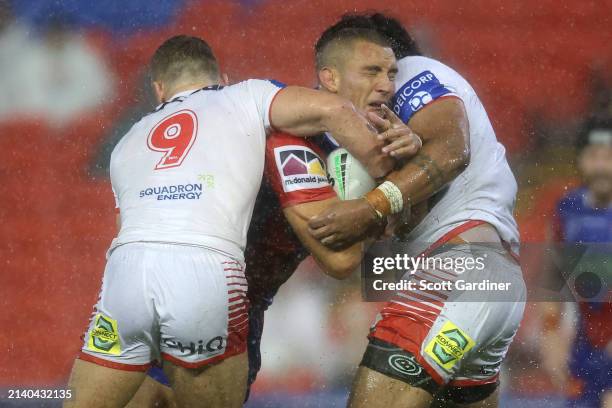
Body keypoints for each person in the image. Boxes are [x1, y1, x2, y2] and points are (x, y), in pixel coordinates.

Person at [65, 34, 395, 408]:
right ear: (222, 78)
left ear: (159, 90)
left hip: (128, 270)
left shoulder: (127, 141)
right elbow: (332, 111)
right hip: (207, 271)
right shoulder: (243, 97)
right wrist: (388, 175)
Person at [308, 13, 527, 407]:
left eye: (384, 69)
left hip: (460, 270)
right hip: (489, 280)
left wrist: (370, 207)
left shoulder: (413, 71)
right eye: (371, 71)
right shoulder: (373, 132)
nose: (384, 83)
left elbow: (452, 150)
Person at [540, 120, 612, 408]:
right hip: (585, 345)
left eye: (609, 157)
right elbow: (551, 274)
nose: (601, 166)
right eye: (594, 156)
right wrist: (550, 332)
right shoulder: (567, 208)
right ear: (581, 159)